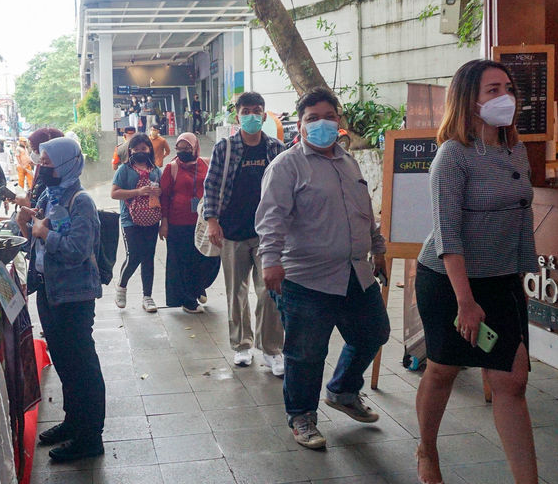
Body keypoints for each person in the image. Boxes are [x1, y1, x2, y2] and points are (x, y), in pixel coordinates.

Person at [413, 60, 558, 484]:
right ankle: (427, 452)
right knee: (444, 368)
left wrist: (515, 278)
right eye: (494, 88)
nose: (506, 95)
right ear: (469, 99)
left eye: (509, 87)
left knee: (512, 381)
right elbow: (449, 237)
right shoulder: (452, 157)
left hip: (502, 280)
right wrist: (466, 301)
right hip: (451, 281)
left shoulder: (514, 149)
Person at [256, 88, 390, 450]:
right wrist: (270, 262)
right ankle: (302, 416)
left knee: (374, 332)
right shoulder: (286, 166)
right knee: (306, 353)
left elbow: (365, 211)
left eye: (327, 116)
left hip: (354, 272)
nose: (320, 123)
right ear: (300, 125)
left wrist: (378, 249)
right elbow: (271, 220)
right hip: (305, 277)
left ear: (338, 121)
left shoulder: (349, 162)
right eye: (312, 118)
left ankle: (343, 391)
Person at [16, 137, 105, 462]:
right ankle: (72, 422)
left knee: (82, 367)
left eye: (48, 165)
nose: (42, 169)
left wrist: (45, 233)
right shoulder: (52, 195)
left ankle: (90, 437)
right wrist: (28, 228)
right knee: (66, 364)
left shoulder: (81, 201)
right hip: (52, 292)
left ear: (67, 165)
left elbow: (77, 251)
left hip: (74, 296)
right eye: (41, 163)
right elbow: (41, 248)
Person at [203, 91, 285, 374]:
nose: (252, 115)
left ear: (264, 114)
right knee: (235, 292)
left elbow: (285, 189)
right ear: (237, 115)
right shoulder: (225, 148)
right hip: (232, 232)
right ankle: (242, 345)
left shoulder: (275, 148)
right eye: (246, 110)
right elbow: (211, 186)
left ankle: (272, 349)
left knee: (270, 291)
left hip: (268, 234)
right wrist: (212, 221)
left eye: (257, 110)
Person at [160, 132, 219, 313]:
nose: (183, 151)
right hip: (178, 223)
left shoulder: (206, 164)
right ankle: (188, 301)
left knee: (209, 259)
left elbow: (215, 188)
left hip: (202, 222)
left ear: (195, 147)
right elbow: (164, 197)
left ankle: (198, 287)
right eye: (180, 148)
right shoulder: (172, 168)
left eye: (187, 148)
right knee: (183, 263)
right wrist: (164, 223)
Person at [111, 133, 162, 313]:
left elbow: (163, 192)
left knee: (149, 256)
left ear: (149, 149)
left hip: (152, 218)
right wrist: (138, 191)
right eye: (136, 149)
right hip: (130, 219)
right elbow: (114, 193)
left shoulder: (155, 169)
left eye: (144, 148)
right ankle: (122, 287)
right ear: (130, 150)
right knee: (134, 255)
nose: (140, 151)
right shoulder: (124, 169)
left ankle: (147, 296)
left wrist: (157, 192)